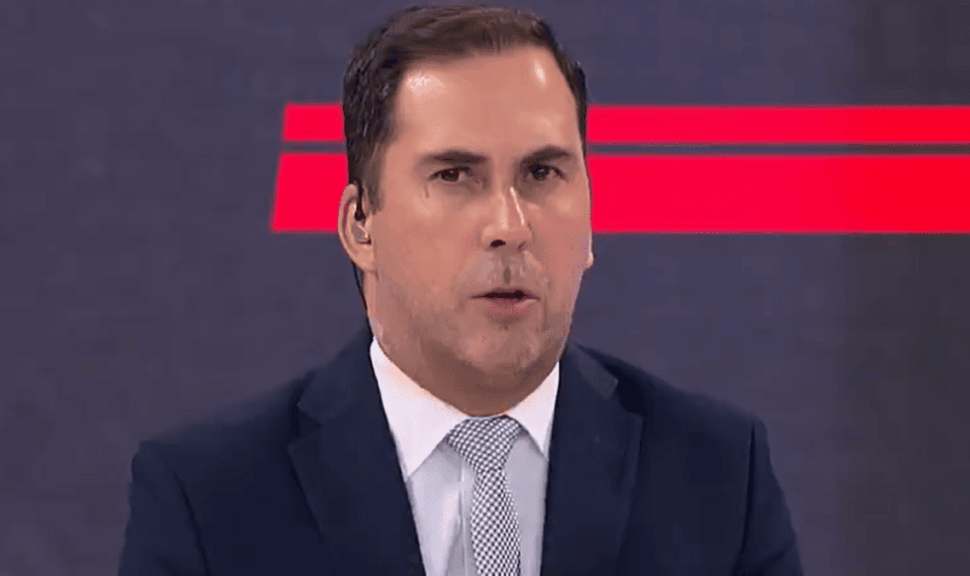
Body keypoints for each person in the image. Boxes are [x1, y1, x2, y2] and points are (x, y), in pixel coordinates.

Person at [117, 3, 804, 575]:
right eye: (454, 176)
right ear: (360, 225)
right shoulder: (209, 501)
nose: (509, 226)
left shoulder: (719, 477)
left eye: (542, 174)